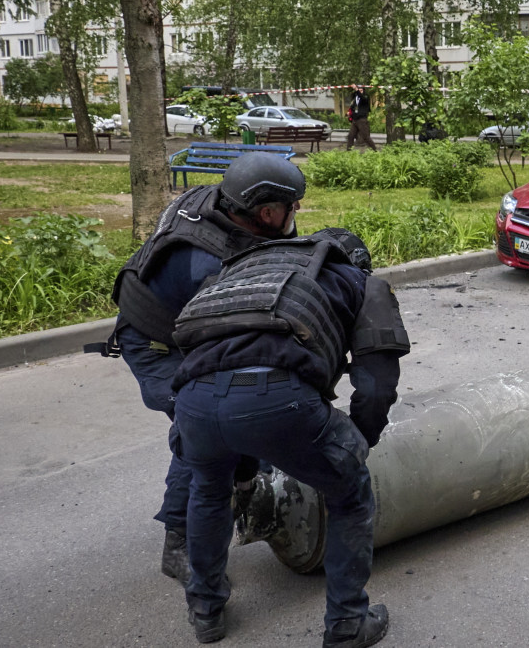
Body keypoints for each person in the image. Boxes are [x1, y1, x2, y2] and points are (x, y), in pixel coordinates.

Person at [170, 227, 409, 646]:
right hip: (276, 397)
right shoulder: (363, 283)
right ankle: (347, 625)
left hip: (192, 400)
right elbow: (376, 387)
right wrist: (354, 445)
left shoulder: (242, 272)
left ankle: (206, 611)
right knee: (349, 495)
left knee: (208, 492)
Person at [97, 152, 305, 587]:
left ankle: (242, 498)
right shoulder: (210, 266)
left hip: (183, 326)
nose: (298, 212)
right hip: (158, 345)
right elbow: (237, 340)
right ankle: (180, 544)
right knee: (205, 433)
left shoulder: (228, 206)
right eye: (292, 205)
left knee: (240, 418)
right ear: (266, 212)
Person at [345, 84, 376, 151]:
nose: (360, 91)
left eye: (361, 90)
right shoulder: (355, 98)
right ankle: (348, 152)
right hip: (355, 120)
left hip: (362, 120)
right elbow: (353, 108)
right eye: (359, 90)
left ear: (363, 91)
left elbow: (362, 97)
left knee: (366, 137)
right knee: (351, 136)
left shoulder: (365, 97)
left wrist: (356, 89)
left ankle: (374, 150)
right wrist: (349, 113)